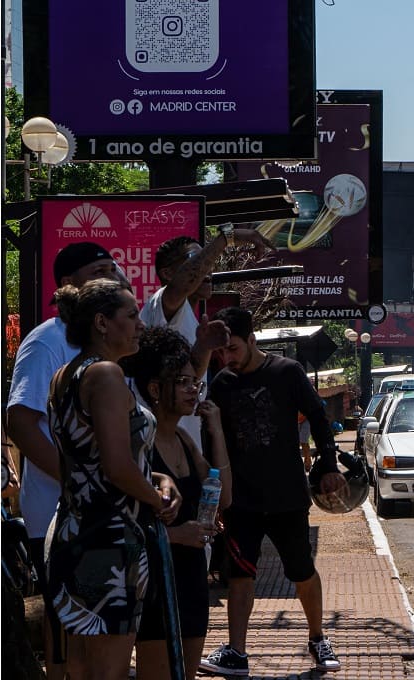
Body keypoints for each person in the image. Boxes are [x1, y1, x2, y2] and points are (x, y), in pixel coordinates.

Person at [43, 279, 182, 680]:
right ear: (102, 323)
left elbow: (91, 460)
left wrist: (158, 479)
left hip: (75, 529)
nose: (141, 325)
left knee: (82, 665)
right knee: (108, 669)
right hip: (109, 539)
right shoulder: (105, 375)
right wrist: (158, 502)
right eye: (132, 315)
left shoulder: (64, 375)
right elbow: (117, 468)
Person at [5, 242, 128, 680]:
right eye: (99, 270)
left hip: (101, 517)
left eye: (113, 268)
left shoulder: (105, 345)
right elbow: (20, 421)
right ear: (67, 284)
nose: (112, 276)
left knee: (95, 635)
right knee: (67, 638)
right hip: (60, 519)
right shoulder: (46, 340)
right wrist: (80, 480)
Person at [200, 307, 346, 676]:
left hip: (287, 496)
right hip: (242, 501)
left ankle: (317, 637)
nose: (227, 358)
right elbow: (211, 443)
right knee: (240, 575)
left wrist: (328, 466)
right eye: (222, 353)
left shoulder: (287, 372)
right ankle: (237, 651)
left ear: (251, 339)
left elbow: (318, 417)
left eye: (233, 349)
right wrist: (214, 496)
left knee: (300, 571)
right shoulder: (221, 383)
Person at [122, 327, 232, 680]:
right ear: (155, 389)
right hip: (154, 580)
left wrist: (216, 430)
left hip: (191, 577)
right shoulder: (138, 445)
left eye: (195, 382)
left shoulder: (184, 439)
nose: (192, 389)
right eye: (182, 381)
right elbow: (123, 521)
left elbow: (223, 497)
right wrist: (176, 535)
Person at [138, 229, 273, 452]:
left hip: (186, 446)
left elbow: (190, 374)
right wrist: (228, 237)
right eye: (195, 259)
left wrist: (205, 346)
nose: (207, 268)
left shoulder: (191, 319)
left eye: (207, 260)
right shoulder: (162, 303)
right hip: (156, 449)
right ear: (169, 274)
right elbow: (183, 284)